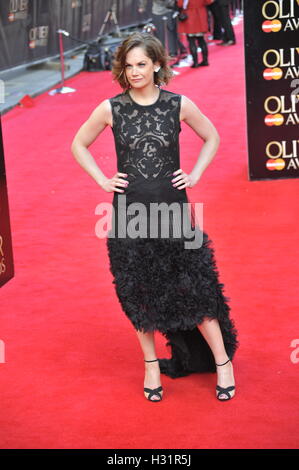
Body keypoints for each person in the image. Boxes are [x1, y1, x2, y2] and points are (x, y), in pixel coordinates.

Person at [71, 31, 238, 403]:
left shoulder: (177, 104)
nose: (134, 72)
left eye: (142, 64)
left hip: (173, 210)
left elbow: (212, 136)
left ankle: (222, 361)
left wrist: (194, 174)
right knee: (137, 293)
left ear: (157, 65)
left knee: (195, 288)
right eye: (128, 66)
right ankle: (150, 365)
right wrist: (102, 179)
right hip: (128, 215)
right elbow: (78, 144)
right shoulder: (110, 109)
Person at [177, 0, 214, 68]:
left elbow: (180, 4)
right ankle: (205, 60)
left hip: (189, 16)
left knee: (191, 41)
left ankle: (195, 62)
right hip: (201, 14)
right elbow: (209, 1)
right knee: (201, 40)